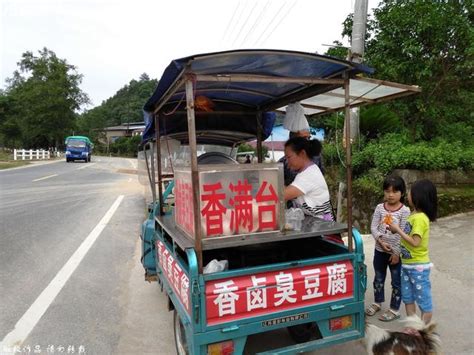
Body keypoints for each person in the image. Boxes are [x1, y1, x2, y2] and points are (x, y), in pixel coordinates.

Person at [389, 179, 438, 324]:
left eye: (411, 191)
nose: (408, 194)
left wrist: (397, 229)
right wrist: (395, 230)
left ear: (419, 196)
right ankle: (413, 329)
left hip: (418, 267)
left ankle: (424, 331)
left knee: (424, 301)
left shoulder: (420, 219)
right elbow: (407, 237)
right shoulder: (413, 215)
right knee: (408, 298)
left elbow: (415, 242)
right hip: (407, 265)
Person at [365, 175, 410, 322]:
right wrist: (380, 240)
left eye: (394, 191)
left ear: (402, 193)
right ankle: (377, 302)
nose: (390, 195)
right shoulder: (380, 208)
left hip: (395, 255)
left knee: (396, 282)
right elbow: (373, 226)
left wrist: (397, 252)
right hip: (379, 250)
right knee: (378, 278)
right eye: (387, 191)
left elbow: (404, 233)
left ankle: (394, 309)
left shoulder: (405, 211)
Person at [283, 136, 333, 221]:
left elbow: (282, 195)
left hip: (322, 227)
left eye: (289, 157)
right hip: (315, 224)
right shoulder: (307, 171)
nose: (287, 162)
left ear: (302, 153)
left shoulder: (309, 175)